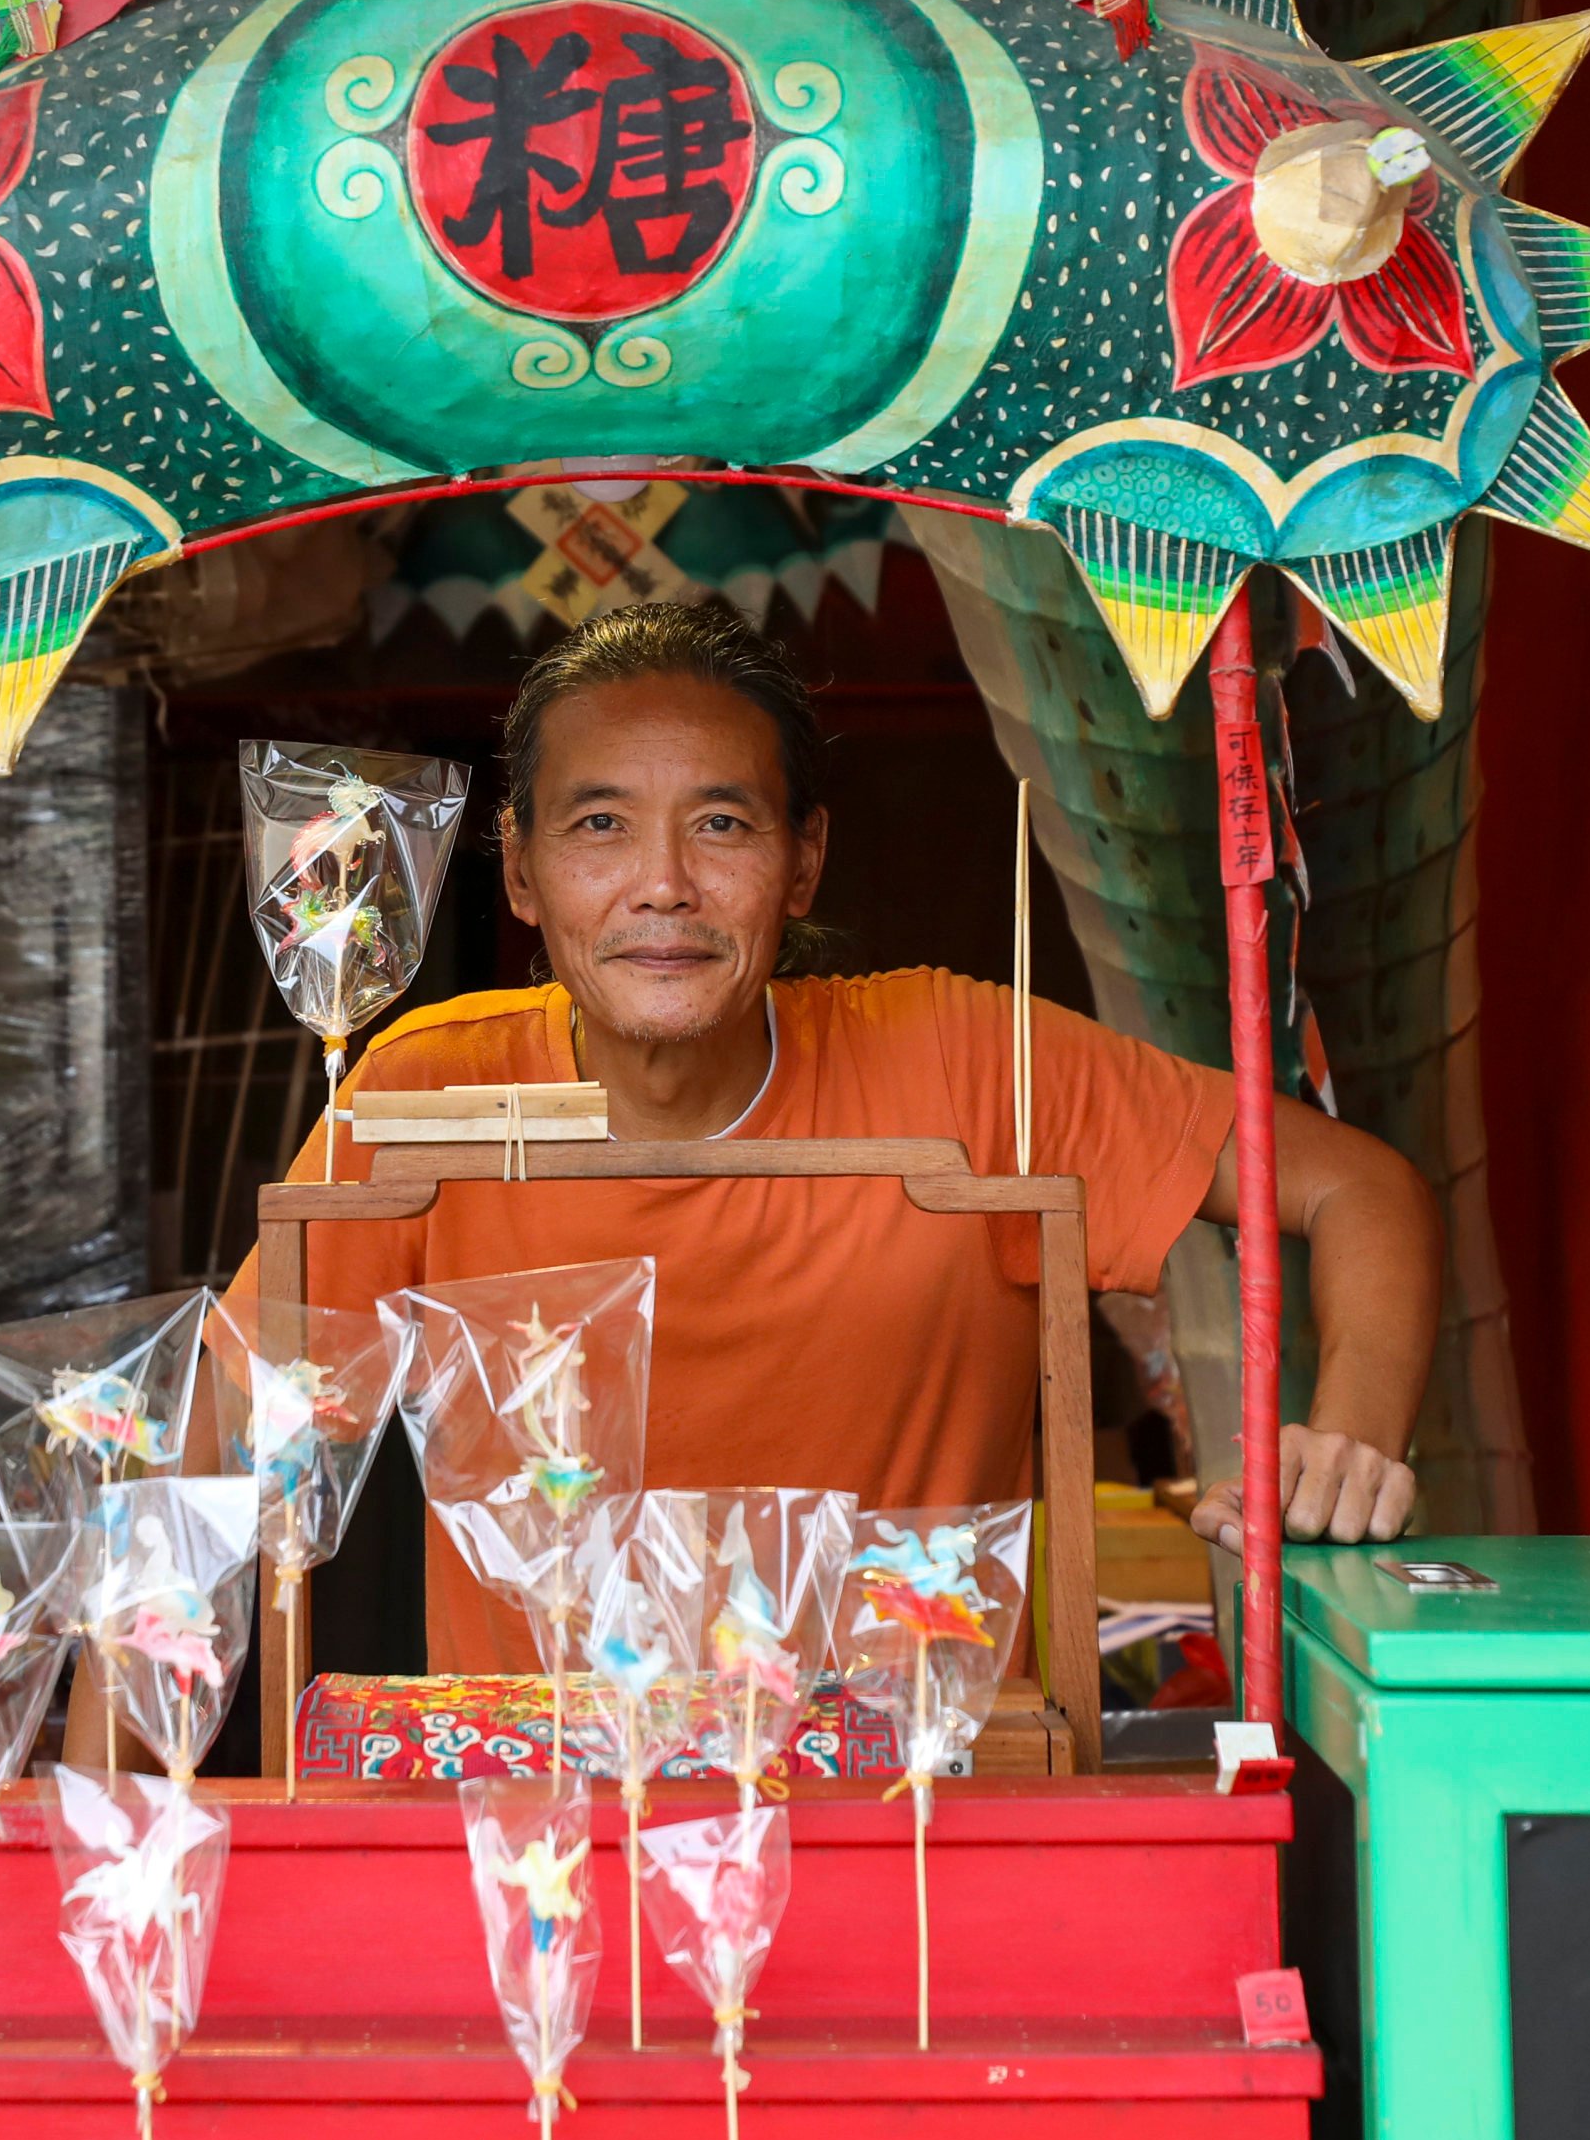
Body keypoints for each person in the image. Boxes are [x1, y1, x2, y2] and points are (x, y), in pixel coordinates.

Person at [266, 598, 1442, 1672]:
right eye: (602, 826)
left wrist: (1348, 1445)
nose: (663, 883)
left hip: (927, 1808)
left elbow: (1359, 1190)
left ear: (803, 863)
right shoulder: (423, 1100)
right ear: (521, 870)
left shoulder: (965, 1062)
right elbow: (238, 1447)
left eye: (721, 824)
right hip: (548, 1838)